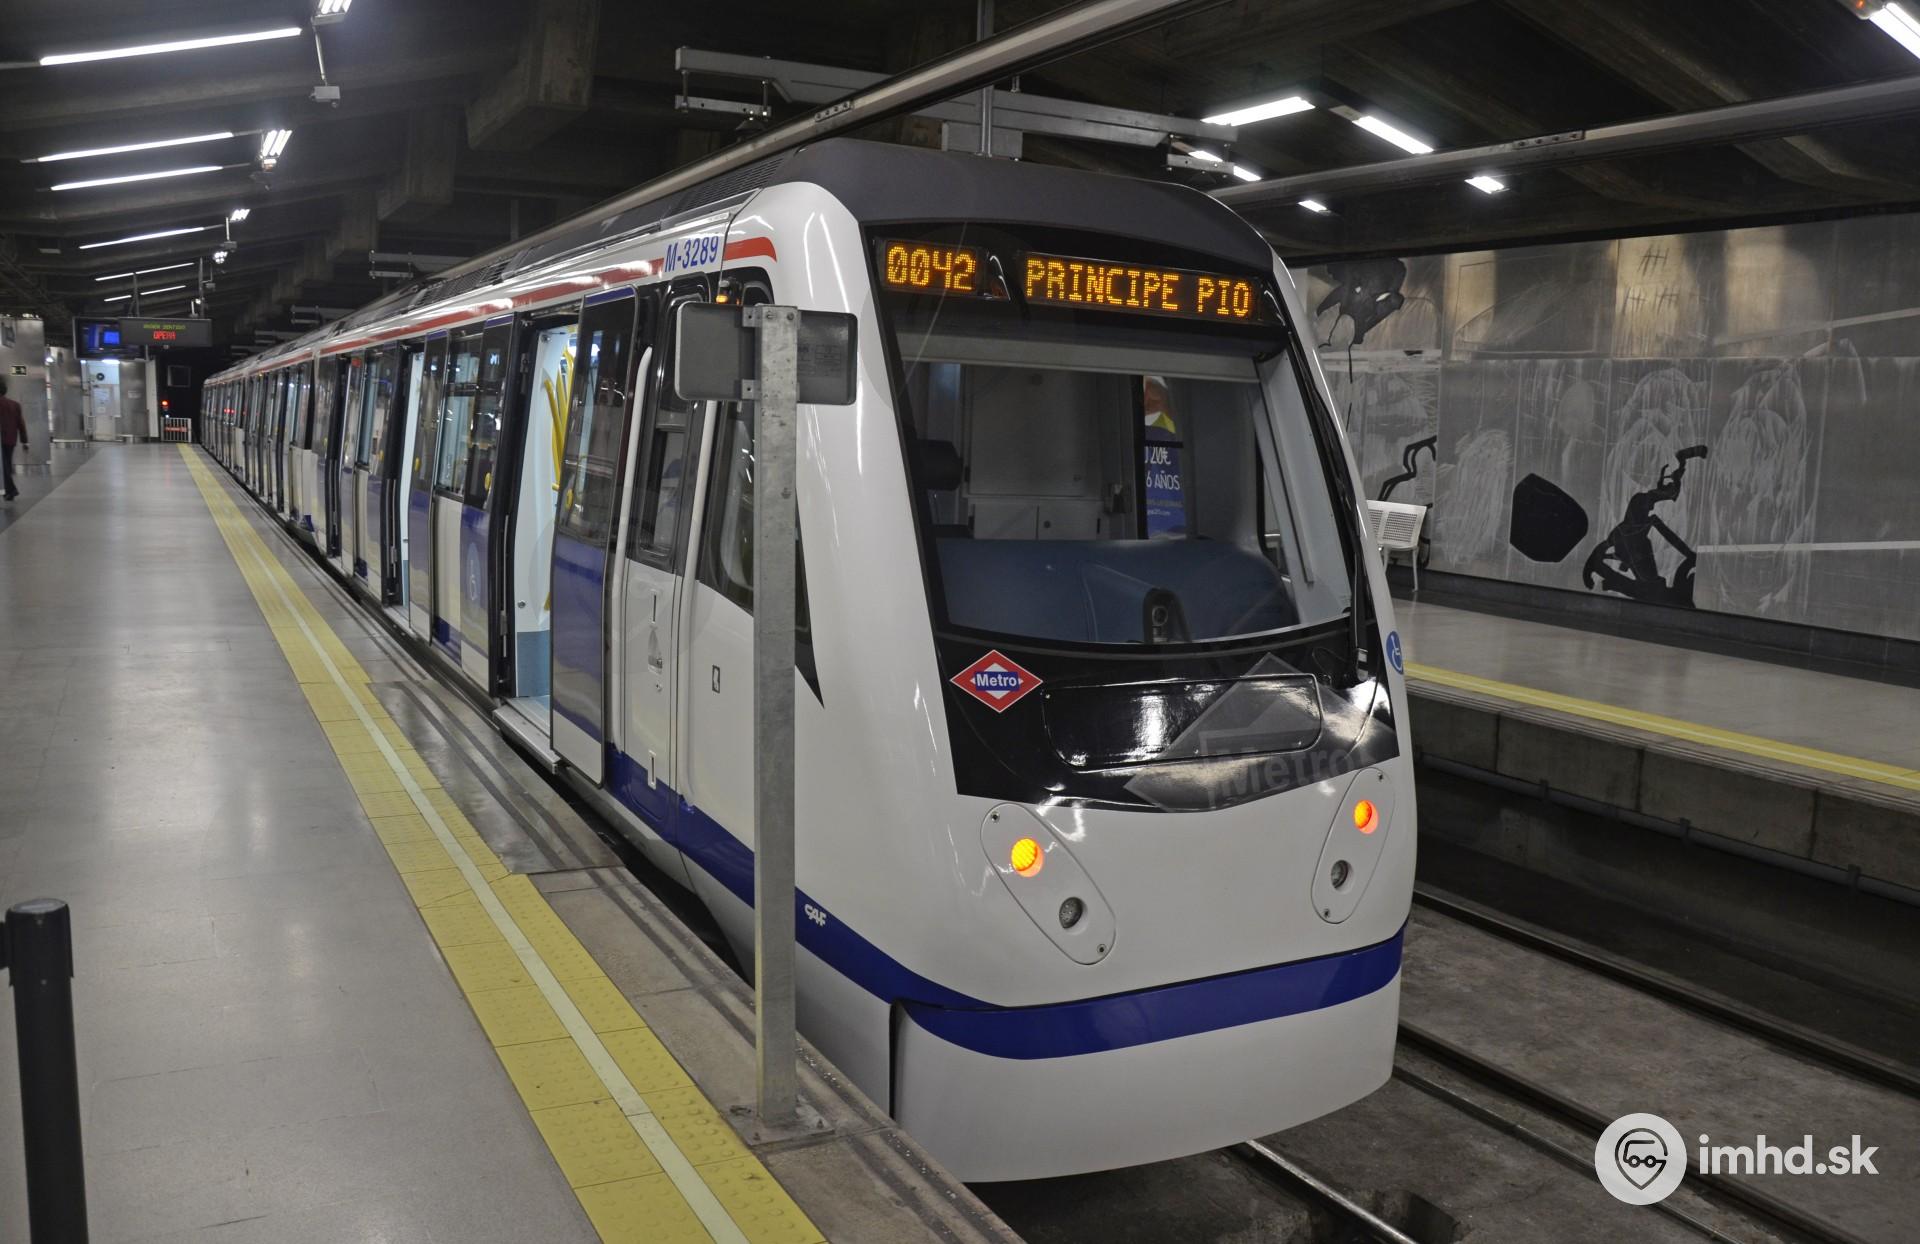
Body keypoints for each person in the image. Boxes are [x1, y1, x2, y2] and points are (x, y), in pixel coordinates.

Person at [0, 378, 26, 501]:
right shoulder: (15, 404)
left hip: (1, 438)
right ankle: (9, 491)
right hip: (10, 439)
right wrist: (24, 440)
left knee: (4, 465)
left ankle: (11, 490)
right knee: (7, 464)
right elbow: (21, 423)